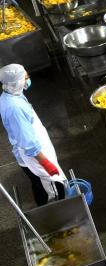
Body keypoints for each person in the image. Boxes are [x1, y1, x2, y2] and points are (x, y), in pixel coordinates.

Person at [0, 64, 66, 206]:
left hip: (34, 148)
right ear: (16, 83)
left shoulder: (11, 94)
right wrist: (46, 163)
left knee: (39, 187)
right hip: (35, 157)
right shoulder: (14, 109)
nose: (28, 79)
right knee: (53, 191)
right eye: (25, 77)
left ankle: (48, 213)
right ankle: (55, 217)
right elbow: (28, 142)